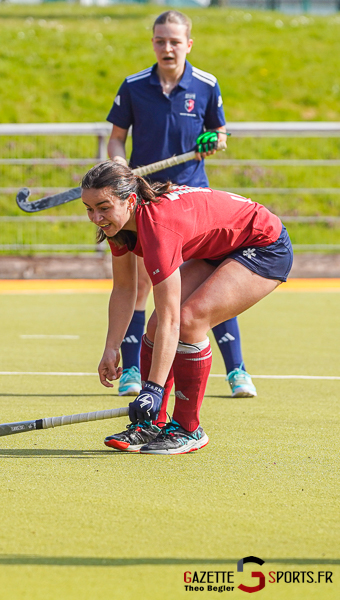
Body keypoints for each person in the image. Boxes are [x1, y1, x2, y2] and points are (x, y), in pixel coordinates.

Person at [82, 161, 292, 454]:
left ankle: (188, 429)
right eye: (89, 208)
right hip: (222, 246)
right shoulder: (120, 225)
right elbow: (125, 288)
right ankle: (150, 423)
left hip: (264, 244)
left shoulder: (156, 228)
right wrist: (111, 347)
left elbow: (172, 320)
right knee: (154, 327)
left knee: (189, 321)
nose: (96, 217)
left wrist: (151, 389)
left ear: (130, 200)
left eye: (103, 207)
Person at [106, 10, 256, 400]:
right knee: (140, 285)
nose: (167, 48)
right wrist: (122, 169)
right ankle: (132, 371)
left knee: (211, 282)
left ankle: (237, 369)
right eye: (160, 40)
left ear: (189, 43)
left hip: (192, 202)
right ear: (152, 43)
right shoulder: (135, 85)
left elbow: (219, 134)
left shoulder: (206, 84)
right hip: (146, 202)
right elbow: (117, 139)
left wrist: (214, 140)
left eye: (174, 41)